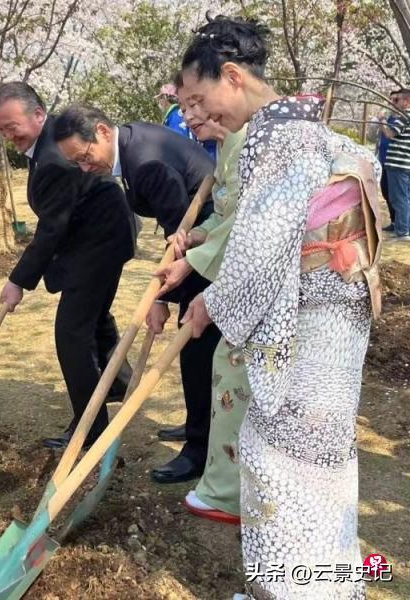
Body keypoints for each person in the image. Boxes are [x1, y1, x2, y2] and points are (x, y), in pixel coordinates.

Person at [178, 16, 382, 599]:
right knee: (321, 456)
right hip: (333, 303)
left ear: (234, 76)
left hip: (316, 310)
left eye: (201, 98)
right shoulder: (301, 126)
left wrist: (211, 303)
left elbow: (263, 240)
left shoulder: (278, 135)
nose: (199, 115)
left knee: (280, 457)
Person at [53, 105, 220, 484]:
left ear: (102, 132)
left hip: (206, 239)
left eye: (84, 157)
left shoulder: (144, 162)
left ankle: (200, 447)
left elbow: (180, 228)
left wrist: (161, 297)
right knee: (194, 342)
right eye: (75, 162)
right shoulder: (128, 146)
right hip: (190, 238)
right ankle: (199, 424)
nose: (84, 167)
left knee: (195, 342)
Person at [0, 82, 134, 449]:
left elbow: (51, 229)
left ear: (38, 115)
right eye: (2, 129)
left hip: (97, 242)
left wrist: (18, 281)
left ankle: (91, 428)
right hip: (98, 236)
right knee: (94, 316)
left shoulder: (57, 155)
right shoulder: (51, 139)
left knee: (72, 333)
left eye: (13, 126)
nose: (9, 136)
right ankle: (116, 381)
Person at [156, 79, 250, 524]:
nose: (190, 115)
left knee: (231, 369)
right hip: (229, 267)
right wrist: (195, 235)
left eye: (197, 103)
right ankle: (221, 475)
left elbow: (248, 222)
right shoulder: (227, 145)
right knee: (221, 368)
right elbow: (223, 214)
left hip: (259, 277)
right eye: (184, 105)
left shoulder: (254, 140)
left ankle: (229, 484)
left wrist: (194, 264)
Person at [379, 88, 410, 241]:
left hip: (398, 164)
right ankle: (403, 228)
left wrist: (382, 120)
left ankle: (402, 231)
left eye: (399, 100)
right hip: (404, 164)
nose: (396, 103)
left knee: (399, 199)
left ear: (406, 101)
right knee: (404, 198)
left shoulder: (405, 117)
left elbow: (390, 134)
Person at [376, 90, 400, 231]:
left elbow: (389, 135)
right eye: (390, 100)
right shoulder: (390, 118)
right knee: (385, 192)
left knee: (396, 194)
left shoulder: (401, 120)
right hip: (383, 160)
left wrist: (382, 121)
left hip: (395, 162)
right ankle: (394, 222)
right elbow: (378, 136)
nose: (392, 103)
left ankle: (401, 223)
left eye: (395, 100)